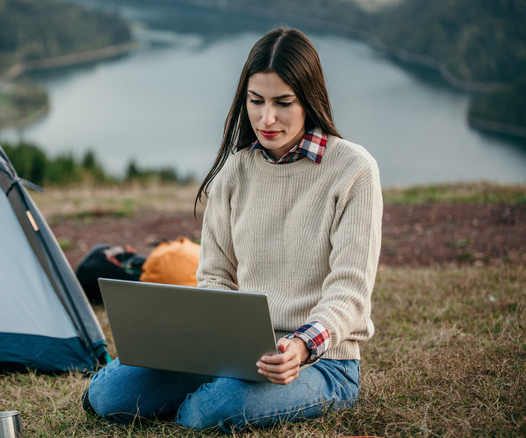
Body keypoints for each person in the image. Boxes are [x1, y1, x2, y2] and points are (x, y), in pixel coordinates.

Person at [82, 27, 382, 433]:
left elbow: (350, 292)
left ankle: (215, 394)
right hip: (236, 352)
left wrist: (300, 344)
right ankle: (215, 383)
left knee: (211, 411)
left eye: (283, 103)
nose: (266, 118)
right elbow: (215, 279)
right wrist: (206, 346)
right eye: (255, 101)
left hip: (324, 363)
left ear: (310, 100)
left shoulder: (353, 170)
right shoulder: (234, 173)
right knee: (108, 397)